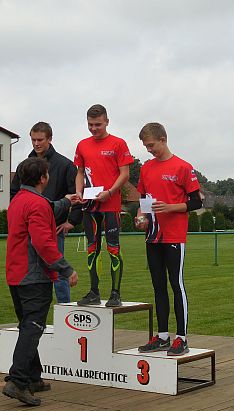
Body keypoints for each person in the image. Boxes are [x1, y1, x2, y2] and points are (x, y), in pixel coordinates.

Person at [3, 157, 79, 406]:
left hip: (15, 274)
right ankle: (18, 381)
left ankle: (33, 377)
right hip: (34, 277)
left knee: (28, 325)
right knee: (33, 327)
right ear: (44, 178)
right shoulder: (37, 204)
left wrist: (67, 201)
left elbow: (47, 208)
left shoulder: (18, 200)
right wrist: (66, 270)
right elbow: (43, 243)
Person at [135, 122, 202, 356]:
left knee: (176, 284)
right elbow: (143, 200)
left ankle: (181, 338)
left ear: (163, 140)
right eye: (146, 146)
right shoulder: (146, 168)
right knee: (158, 286)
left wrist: (171, 207)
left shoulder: (183, 167)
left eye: (151, 145)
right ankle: (162, 336)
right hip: (152, 235)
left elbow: (197, 201)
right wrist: (140, 217)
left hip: (174, 235)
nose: (149, 150)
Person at [10, 121, 81, 303]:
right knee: (29, 269)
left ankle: (64, 310)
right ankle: (32, 307)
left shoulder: (65, 165)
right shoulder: (24, 165)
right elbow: (14, 192)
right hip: (27, 228)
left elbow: (76, 194)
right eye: (33, 140)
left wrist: (72, 221)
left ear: (49, 139)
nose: (36, 144)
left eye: (40, 140)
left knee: (58, 271)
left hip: (56, 227)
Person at [74, 104, 133, 307]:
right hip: (90, 205)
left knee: (113, 248)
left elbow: (125, 174)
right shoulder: (82, 145)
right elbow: (80, 172)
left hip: (110, 204)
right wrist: (79, 191)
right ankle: (94, 292)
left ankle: (115, 294)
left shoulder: (118, 143)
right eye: (90, 124)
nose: (94, 128)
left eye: (98, 124)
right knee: (92, 248)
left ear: (107, 121)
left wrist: (110, 192)